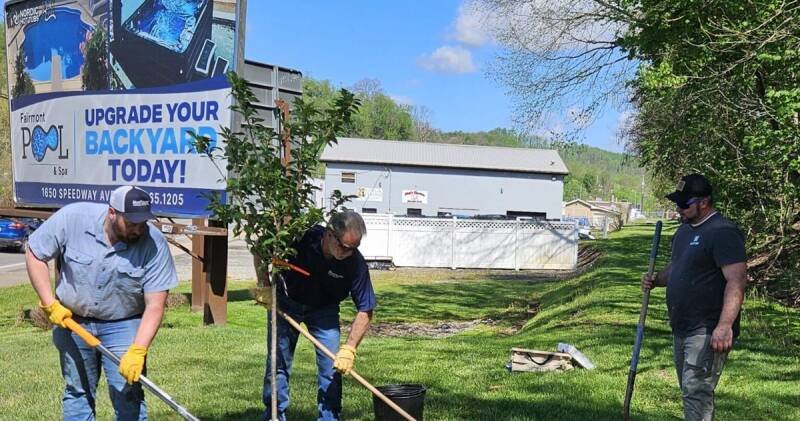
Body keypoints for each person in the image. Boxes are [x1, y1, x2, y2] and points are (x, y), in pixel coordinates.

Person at [26, 185, 178, 420]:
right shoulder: (73, 218)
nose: (138, 229)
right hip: (73, 322)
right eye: (131, 222)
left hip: (124, 324)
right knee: (78, 392)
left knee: (128, 393)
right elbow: (35, 252)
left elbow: (155, 305)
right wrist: (50, 304)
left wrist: (138, 349)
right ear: (112, 212)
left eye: (143, 222)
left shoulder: (154, 244)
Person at [642, 174, 748, 421]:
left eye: (684, 204)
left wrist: (724, 325)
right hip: (682, 327)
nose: (679, 209)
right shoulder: (685, 231)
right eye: (677, 204)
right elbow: (678, 266)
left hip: (707, 328)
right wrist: (657, 280)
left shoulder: (723, 232)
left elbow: (737, 279)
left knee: (695, 392)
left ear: (704, 202)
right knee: (691, 391)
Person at [258, 210, 376, 420]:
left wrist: (349, 349)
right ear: (330, 234)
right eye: (345, 247)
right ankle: (274, 416)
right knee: (278, 364)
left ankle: (329, 418)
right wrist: (265, 286)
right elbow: (261, 248)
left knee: (332, 369)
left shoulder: (355, 264)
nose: (348, 253)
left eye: (354, 248)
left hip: (325, 311)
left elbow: (365, 309)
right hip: (285, 303)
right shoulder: (301, 237)